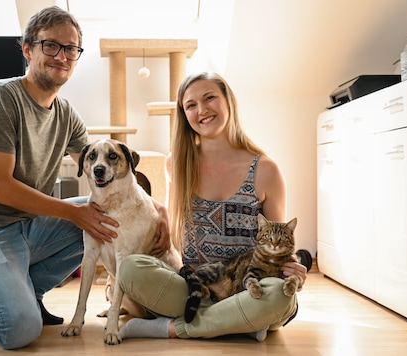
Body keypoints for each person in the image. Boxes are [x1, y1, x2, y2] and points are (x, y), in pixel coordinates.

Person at [0, 6, 170, 350]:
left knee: (104, 219)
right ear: (27, 49)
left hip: (28, 227)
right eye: (51, 46)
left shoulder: (66, 115)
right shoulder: (0, 98)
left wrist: (157, 208)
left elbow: (104, 169)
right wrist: (75, 213)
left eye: (71, 49)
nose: (62, 56)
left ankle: (29, 292)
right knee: (18, 330)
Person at [117, 72, 309, 341]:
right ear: (184, 115)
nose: (202, 110)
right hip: (198, 289)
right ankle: (238, 324)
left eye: (210, 98)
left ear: (228, 101)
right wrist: (160, 212)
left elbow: (278, 244)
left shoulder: (266, 170)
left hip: (249, 290)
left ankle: (171, 328)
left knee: (279, 297)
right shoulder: (177, 163)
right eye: (191, 105)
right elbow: (172, 224)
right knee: (130, 269)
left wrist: (294, 269)